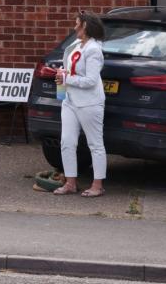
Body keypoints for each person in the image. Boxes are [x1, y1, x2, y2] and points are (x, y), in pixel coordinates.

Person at [52, 11, 107, 197]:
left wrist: (66, 77)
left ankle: (97, 185)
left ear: (85, 26)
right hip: (70, 100)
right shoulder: (77, 44)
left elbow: (91, 80)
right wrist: (62, 74)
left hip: (89, 103)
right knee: (67, 141)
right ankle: (70, 182)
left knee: (95, 144)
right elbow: (70, 68)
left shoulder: (94, 50)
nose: (74, 27)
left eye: (77, 24)